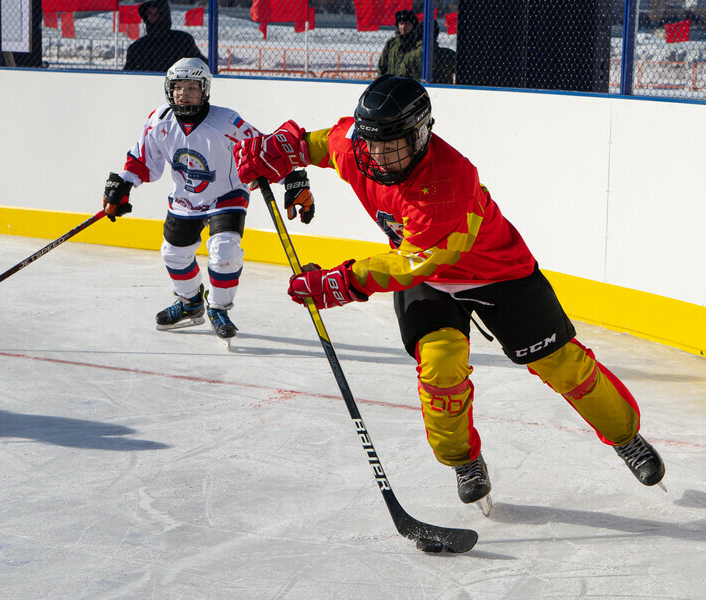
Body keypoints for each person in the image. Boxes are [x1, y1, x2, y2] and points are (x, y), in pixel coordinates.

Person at [232, 75, 665, 507]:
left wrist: (341, 281)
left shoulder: (448, 182)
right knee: (440, 368)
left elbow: (413, 263)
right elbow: (321, 143)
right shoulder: (361, 144)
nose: (378, 156)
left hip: (496, 273)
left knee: (563, 365)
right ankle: (464, 460)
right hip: (428, 279)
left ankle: (626, 436)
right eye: (372, 143)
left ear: (420, 135)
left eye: (391, 144)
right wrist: (281, 152)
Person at [103, 58, 314, 341]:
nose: (184, 93)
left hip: (226, 195)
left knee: (225, 252)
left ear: (205, 91)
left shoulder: (226, 121)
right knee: (173, 254)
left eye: (192, 87)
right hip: (184, 200)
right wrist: (123, 184)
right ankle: (190, 303)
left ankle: (218, 308)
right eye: (178, 86)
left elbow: (265, 149)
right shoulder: (159, 120)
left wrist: (292, 179)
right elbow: (141, 159)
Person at [124, 0, 207, 73]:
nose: (153, 17)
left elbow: (200, 63)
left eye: (157, 13)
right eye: (150, 13)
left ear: (164, 15)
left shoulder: (183, 40)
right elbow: (127, 75)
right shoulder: (137, 47)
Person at [377, 10, 421, 79]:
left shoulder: (417, 45)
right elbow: (382, 66)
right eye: (401, 23)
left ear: (413, 25)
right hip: (390, 84)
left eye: (407, 24)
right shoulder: (391, 44)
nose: (403, 27)